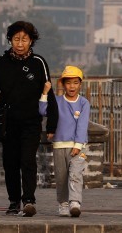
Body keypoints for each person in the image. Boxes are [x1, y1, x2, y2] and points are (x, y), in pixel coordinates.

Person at [0, 21, 53, 217]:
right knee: (10, 163)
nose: (20, 44)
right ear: (10, 40)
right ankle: (14, 201)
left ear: (31, 41)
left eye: (24, 40)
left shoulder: (38, 63)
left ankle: (29, 200)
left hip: (30, 122)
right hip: (8, 122)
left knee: (27, 160)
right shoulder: (2, 63)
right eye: (16, 39)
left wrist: (52, 124)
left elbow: (48, 93)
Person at [39, 65, 90, 218]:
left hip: (78, 146)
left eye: (75, 82)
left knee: (75, 174)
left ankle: (75, 202)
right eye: (68, 82)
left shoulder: (83, 103)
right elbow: (43, 111)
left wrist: (78, 145)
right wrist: (44, 93)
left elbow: (82, 125)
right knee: (61, 177)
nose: (72, 86)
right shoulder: (57, 101)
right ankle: (63, 203)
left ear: (80, 84)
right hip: (59, 145)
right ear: (63, 84)